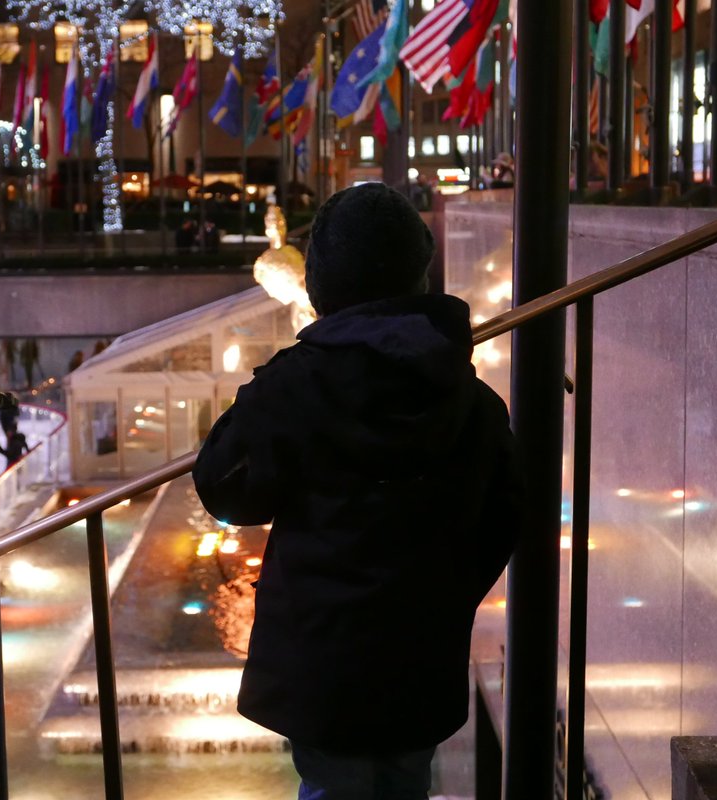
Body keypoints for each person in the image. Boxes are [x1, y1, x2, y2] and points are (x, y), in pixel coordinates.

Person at [192, 183, 522, 798]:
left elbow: (225, 491)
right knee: (405, 784)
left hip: (322, 660)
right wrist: (442, 594)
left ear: (321, 286)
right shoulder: (473, 402)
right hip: (422, 654)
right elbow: (504, 516)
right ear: (417, 277)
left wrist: (265, 391)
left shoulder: (296, 387)